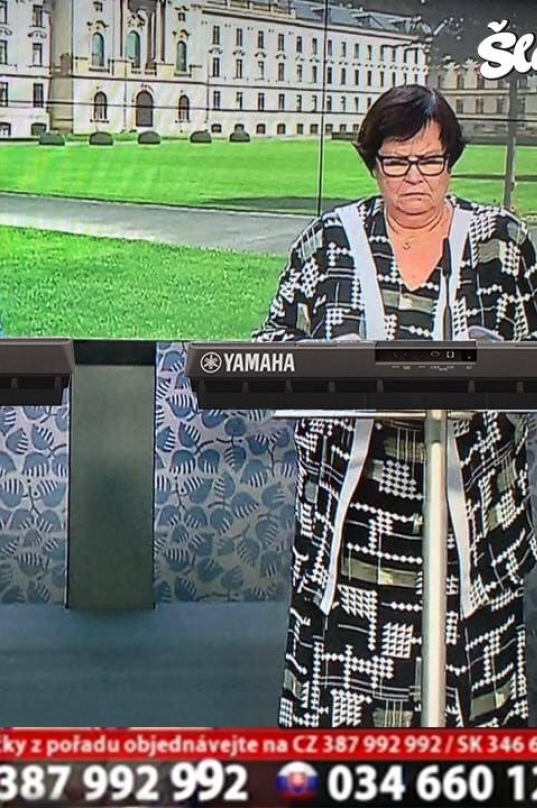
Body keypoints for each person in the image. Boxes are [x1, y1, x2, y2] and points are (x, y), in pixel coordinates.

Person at [254, 84, 537, 728]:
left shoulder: (502, 244)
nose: (415, 178)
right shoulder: (328, 243)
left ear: (451, 159)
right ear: (373, 162)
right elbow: (270, 350)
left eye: (430, 161)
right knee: (352, 731)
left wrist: (497, 361)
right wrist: (336, 362)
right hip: (357, 534)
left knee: (468, 722)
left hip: (473, 532)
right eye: (397, 162)